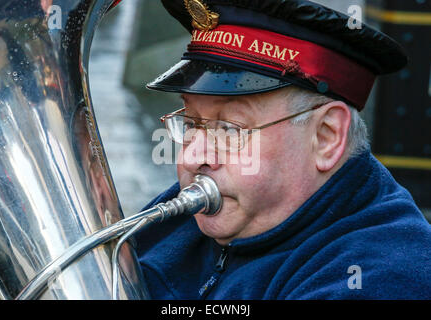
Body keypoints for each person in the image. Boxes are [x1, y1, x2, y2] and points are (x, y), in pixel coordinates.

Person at [133, 0, 431, 299]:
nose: (192, 157)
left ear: (326, 137)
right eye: (193, 123)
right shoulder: (208, 204)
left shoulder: (378, 279)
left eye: (230, 129)